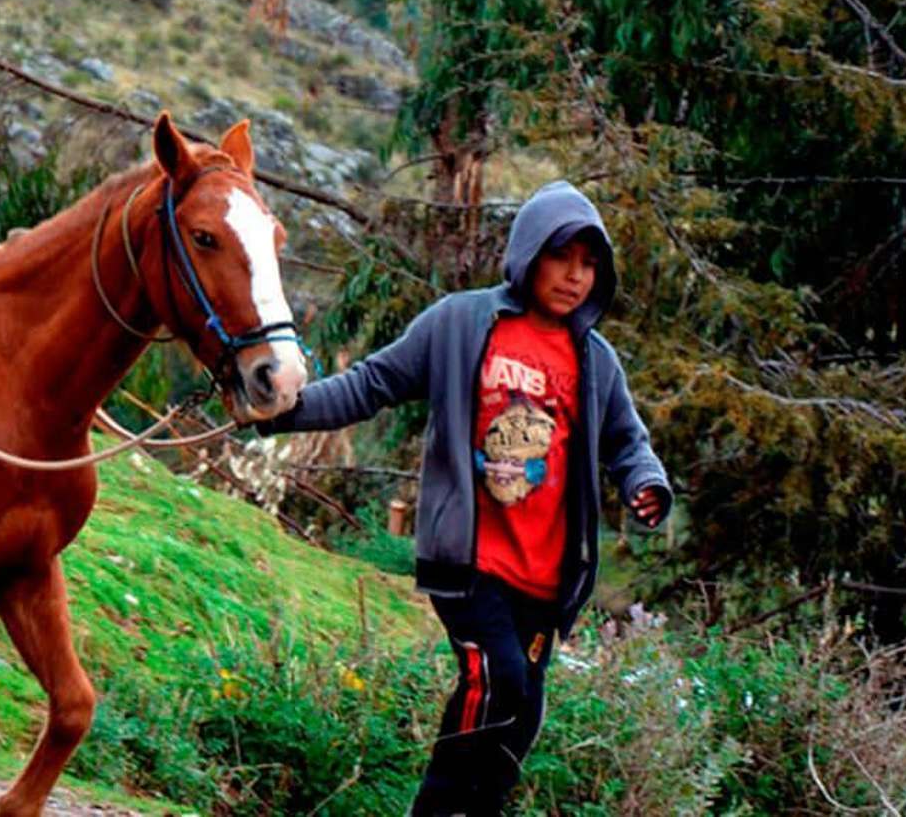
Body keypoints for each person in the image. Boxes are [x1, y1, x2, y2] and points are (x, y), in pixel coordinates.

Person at [258, 181, 673, 816]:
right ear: (530, 253)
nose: (576, 276)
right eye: (563, 256)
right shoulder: (460, 323)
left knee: (520, 721)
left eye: (591, 264)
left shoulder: (596, 362)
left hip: (545, 579)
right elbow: (373, 383)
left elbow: (627, 442)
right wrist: (284, 411)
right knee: (494, 681)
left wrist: (646, 484)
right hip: (472, 563)